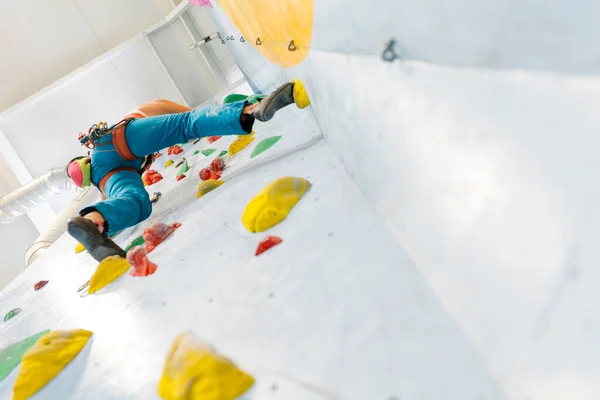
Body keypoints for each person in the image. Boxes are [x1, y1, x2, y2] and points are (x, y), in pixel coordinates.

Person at [66, 81, 308, 262]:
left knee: (136, 202)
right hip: (113, 142)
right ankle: (252, 110)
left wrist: (109, 222)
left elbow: (113, 202)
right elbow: (177, 113)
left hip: (109, 175)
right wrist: (200, 120)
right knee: (187, 124)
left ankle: (93, 222)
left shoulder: (100, 182)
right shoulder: (134, 117)